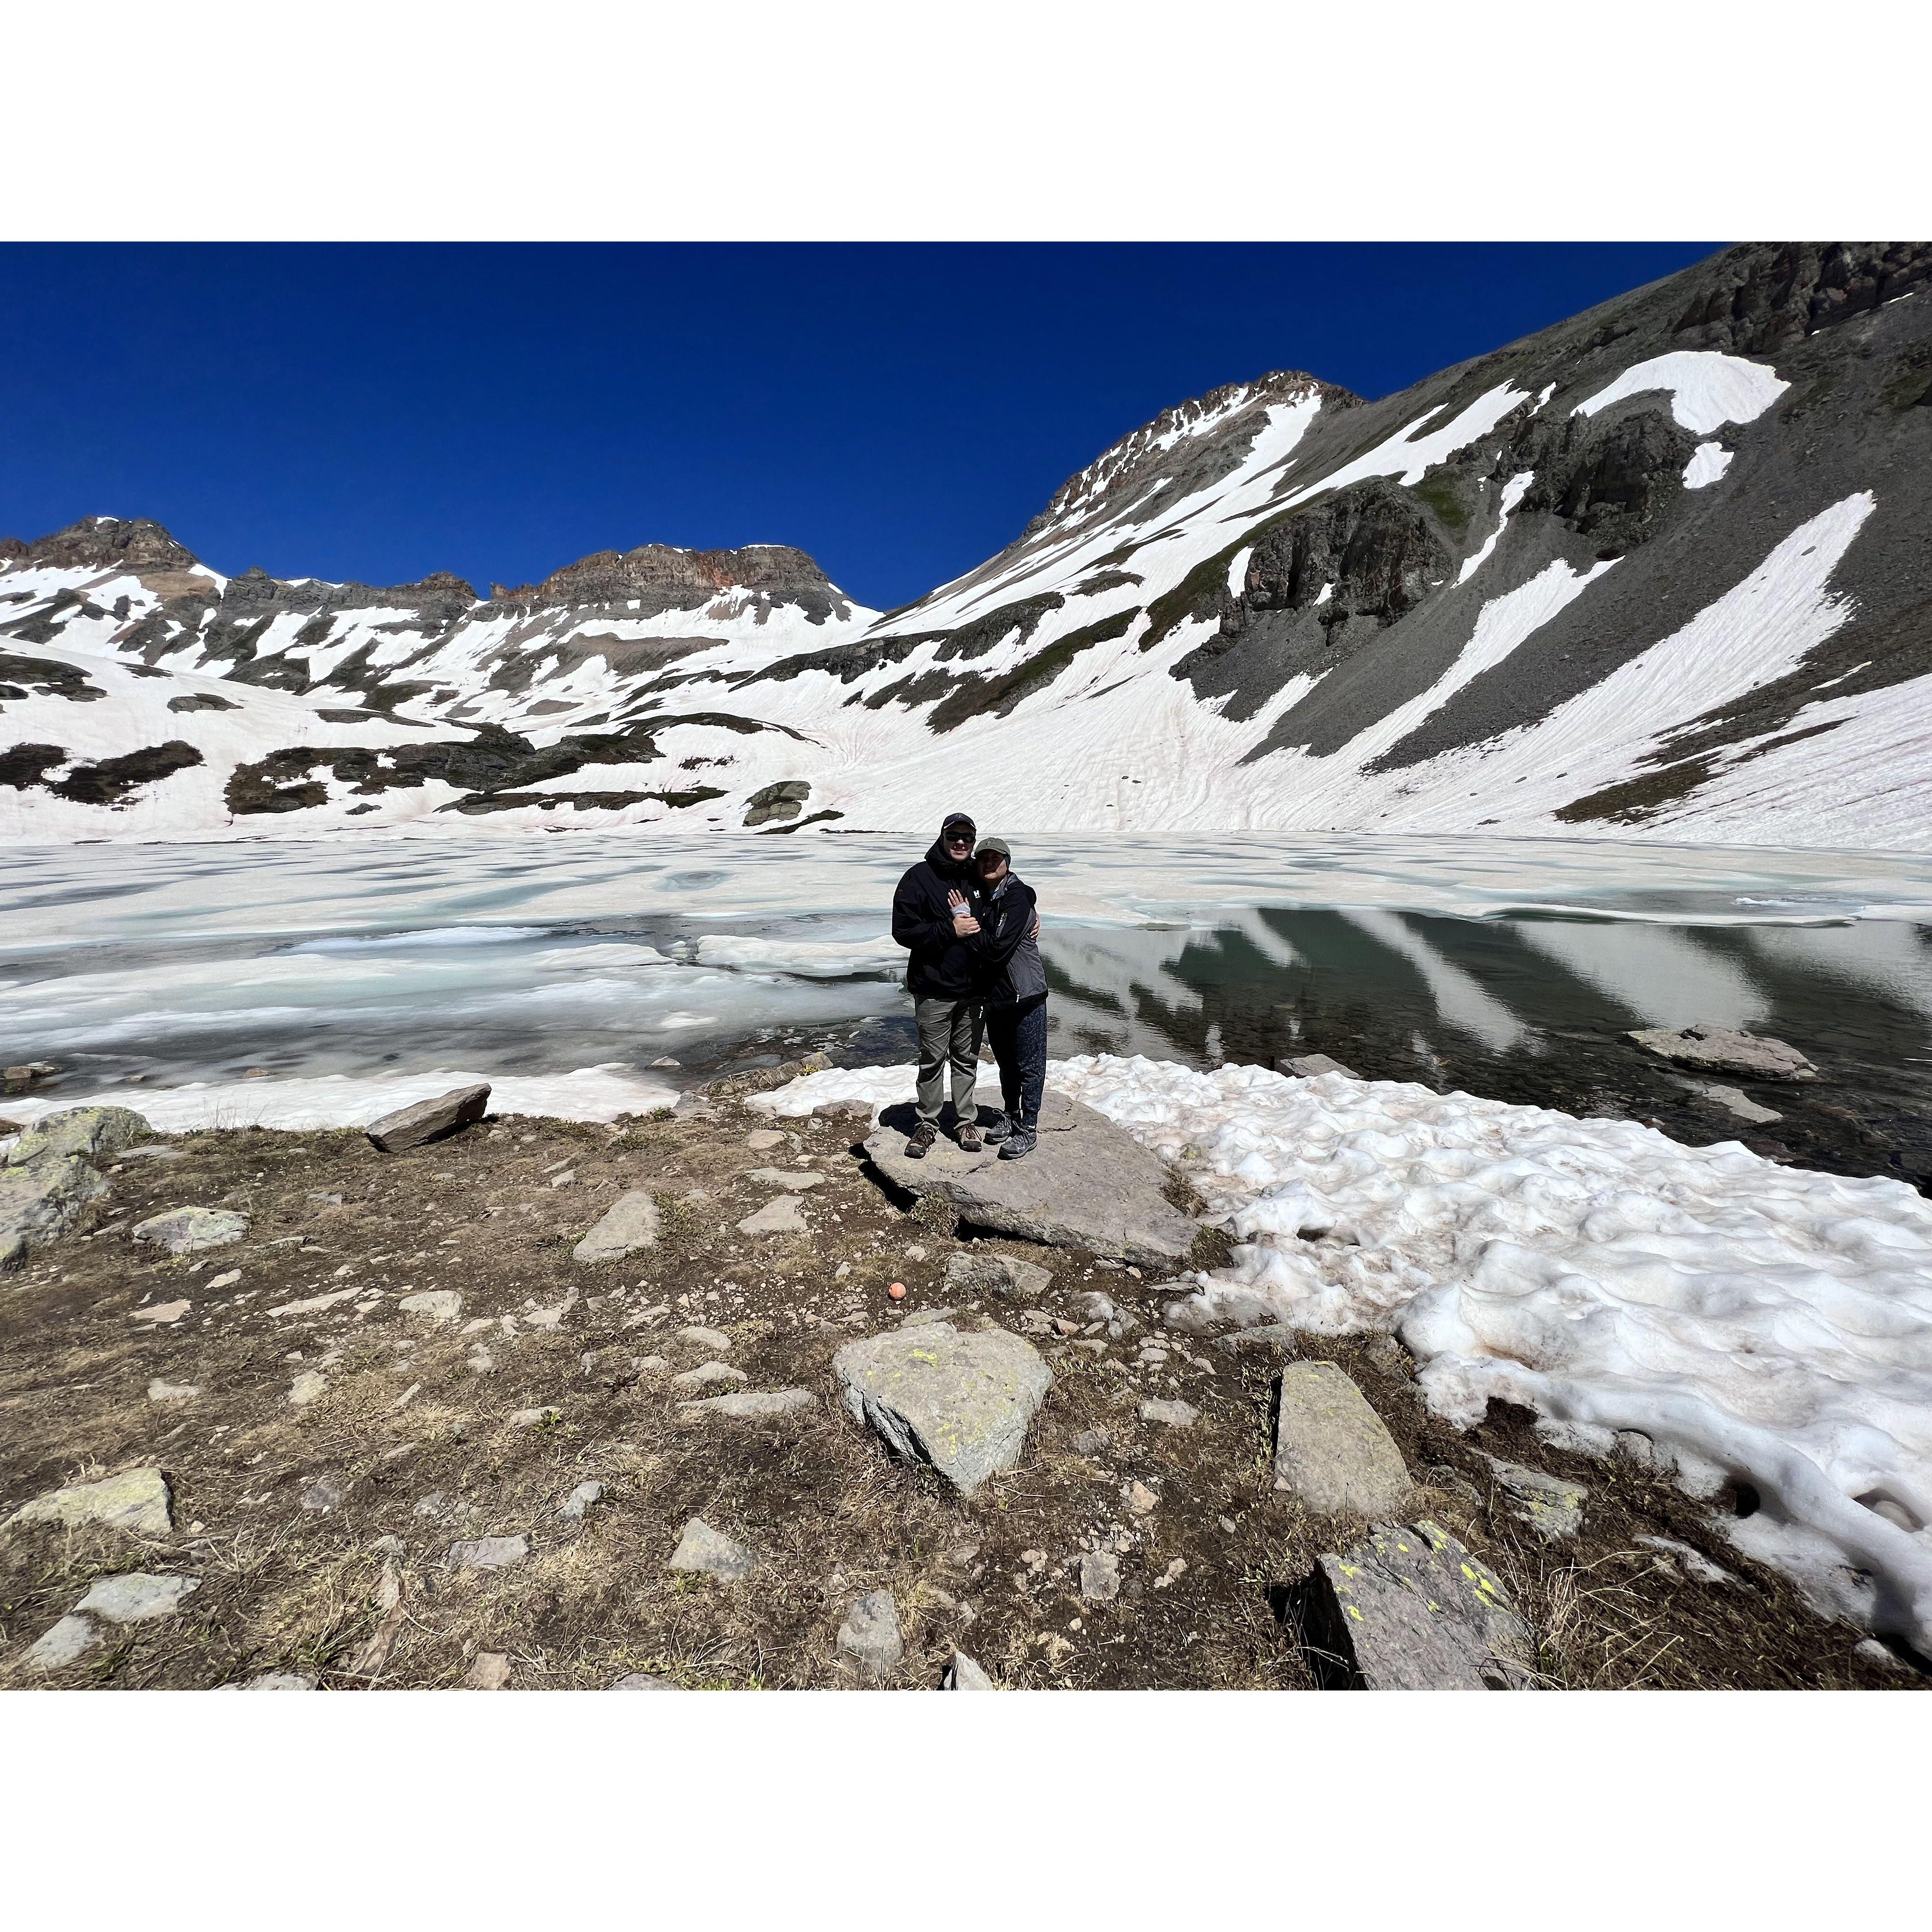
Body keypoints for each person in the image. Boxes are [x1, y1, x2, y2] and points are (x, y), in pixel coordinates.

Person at [890, 810, 989, 1157]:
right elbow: (903, 931)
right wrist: (951, 929)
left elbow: (1009, 892)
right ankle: (927, 1124)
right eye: (954, 836)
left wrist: (1032, 910)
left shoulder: (978, 875)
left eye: (967, 837)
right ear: (942, 838)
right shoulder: (919, 878)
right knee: (932, 1058)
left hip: (973, 988)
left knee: (966, 1059)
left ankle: (965, 1122)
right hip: (934, 987)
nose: (961, 843)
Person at [957, 835, 1047, 1161]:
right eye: (984, 859)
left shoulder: (1016, 897)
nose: (989, 863)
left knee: (1030, 1065)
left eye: (996, 858)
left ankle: (1029, 1128)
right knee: (1008, 1064)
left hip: (1026, 995)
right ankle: (1011, 1116)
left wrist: (967, 925)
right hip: (998, 997)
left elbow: (996, 949)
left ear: (1008, 863)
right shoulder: (990, 896)